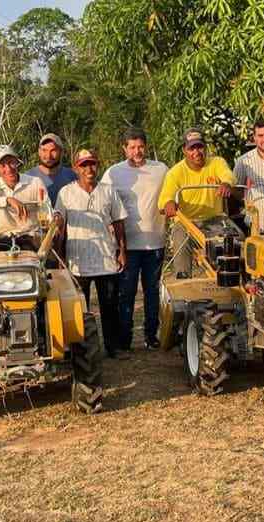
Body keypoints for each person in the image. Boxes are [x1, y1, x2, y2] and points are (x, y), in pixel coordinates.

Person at [56, 149, 128, 360]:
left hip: (106, 259)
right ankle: (81, 350)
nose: (89, 169)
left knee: (109, 306)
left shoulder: (108, 191)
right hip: (77, 261)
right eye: (84, 164)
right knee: (79, 308)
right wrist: (60, 259)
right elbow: (61, 228)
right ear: (76, 168)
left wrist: (122, 251)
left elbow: (119, 222)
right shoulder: (66, 193)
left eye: (92, 164)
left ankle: (113, 348)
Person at [101, 128, 168, 350]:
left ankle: (151, 335)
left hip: (155, 242)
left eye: (140, 146)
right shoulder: (113, 173)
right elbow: (104, 202)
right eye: (132, 147)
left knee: (152, 291)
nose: (136, 151)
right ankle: (125, 338)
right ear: (124, 148)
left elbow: (172, 194)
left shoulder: (160, 170)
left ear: (146, 147)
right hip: (126, 244)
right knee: (126, 292)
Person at [158, 127, 234, 276]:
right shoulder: (175, 173)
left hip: (215, 220)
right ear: (184, 150)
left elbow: (227, 174)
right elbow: (164, 198)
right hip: (187, 222)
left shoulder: (216, 163)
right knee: (180, 237)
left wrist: (226, 183)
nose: (196, 152)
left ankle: (232, 277)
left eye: (199, 147)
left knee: (235, 239)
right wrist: (169, 203)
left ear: (205, 148)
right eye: (192, 148)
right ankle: (184, 279)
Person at [0, 145, 51, 250]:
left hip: (31, 237)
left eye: (11, 162)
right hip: (3, 238)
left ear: (17, 162)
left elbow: (47, 210)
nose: (8, 169)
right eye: (3, 165)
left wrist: (54, 219)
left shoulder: (35, 182)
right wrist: (8, 200)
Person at [25, 133, 77, 205]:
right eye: (44, 150)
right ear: (39, 152)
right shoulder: (28, 177)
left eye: (53, 150)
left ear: (61, 152)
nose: (48, 156)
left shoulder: (72, 176)